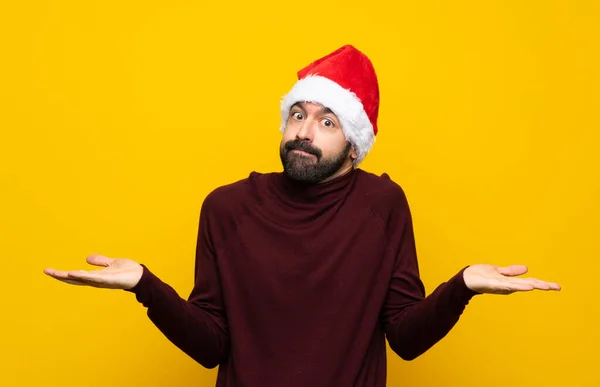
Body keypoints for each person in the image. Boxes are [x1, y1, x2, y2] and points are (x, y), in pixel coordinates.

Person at [44, 44, 560, 387]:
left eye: (327, 120)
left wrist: (463, 284)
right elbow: (212, 346)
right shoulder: (227, 208)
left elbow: (404, 337)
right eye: (298, 114)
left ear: (354, 147)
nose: (304, 132)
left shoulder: (381, 207)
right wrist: (145, 286)